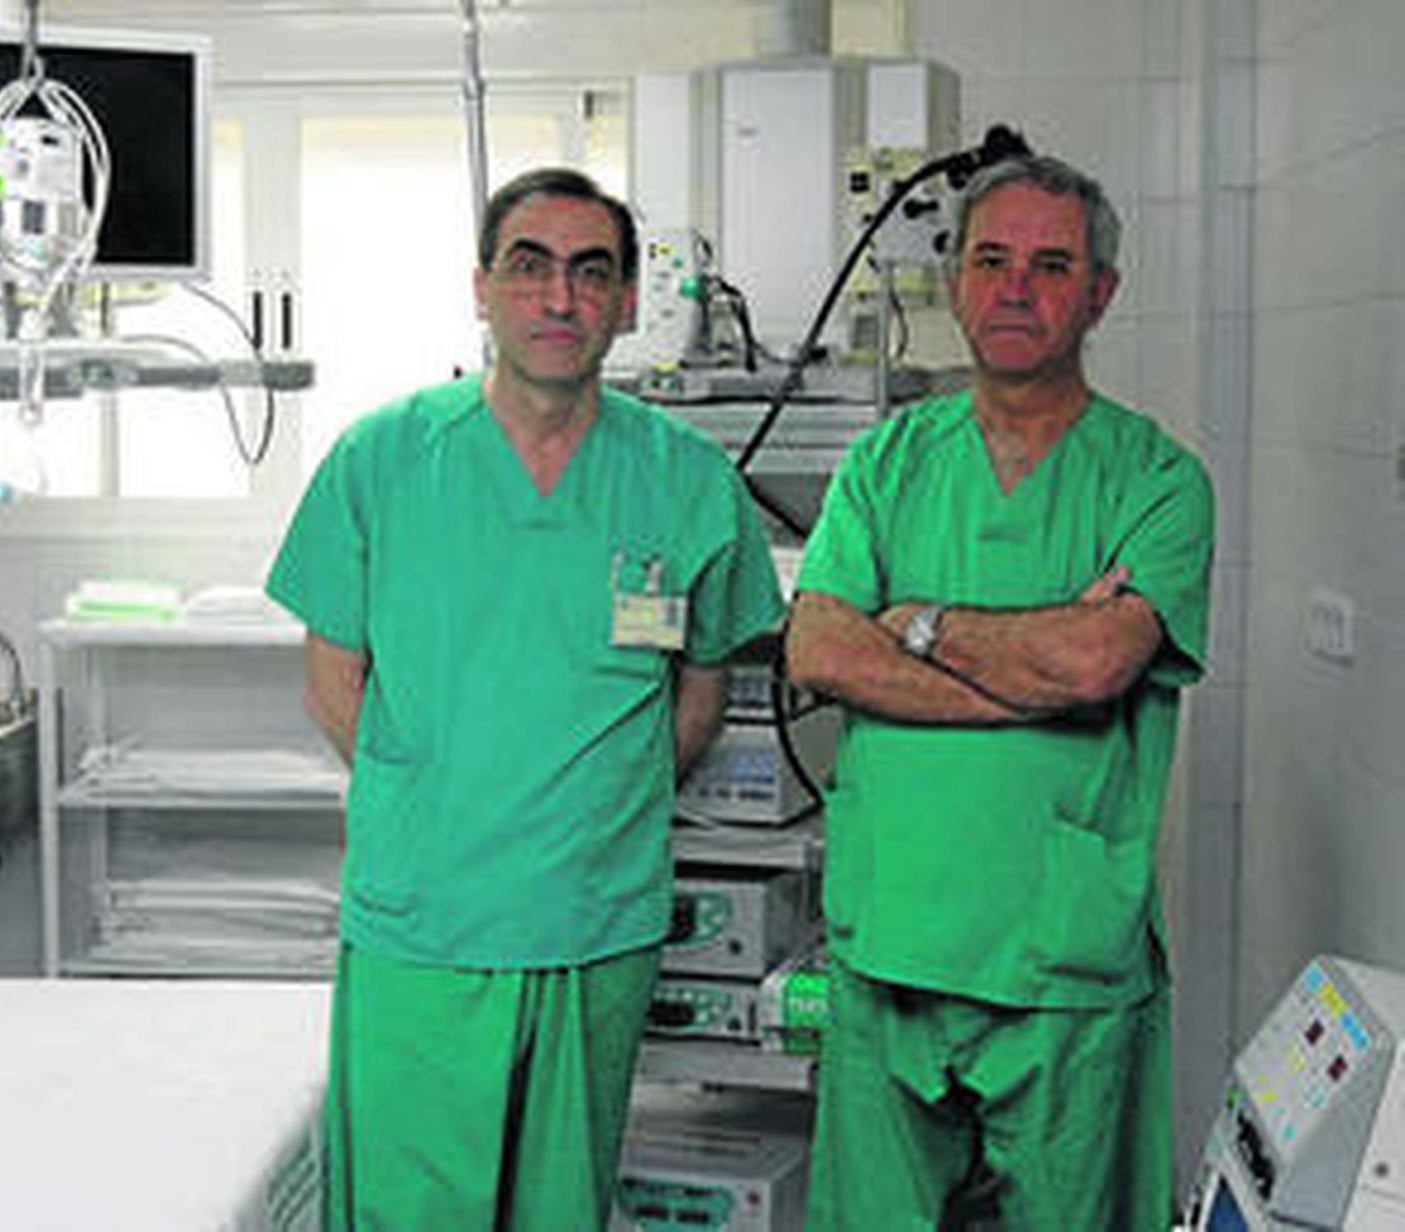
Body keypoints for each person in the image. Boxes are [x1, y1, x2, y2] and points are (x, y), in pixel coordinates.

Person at [265, 166, 784, 1232]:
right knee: (411, 1214)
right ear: (482, 288)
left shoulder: (685, 479)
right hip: (426, 924)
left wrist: (599, 811)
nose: (559, 298)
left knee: (560, 1210)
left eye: (591, 273)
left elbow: (700, 694)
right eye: (529, 267)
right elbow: (331, 686)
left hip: (596, 923)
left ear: (627, 302)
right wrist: (443, 805)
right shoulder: (385, 458)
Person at [785, 153, 1215, 1230]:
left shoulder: (1158, 480)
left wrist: (921, 624)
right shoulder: (886, 463)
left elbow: (1097, 663)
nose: (1015, 287)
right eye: (990, 260)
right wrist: (1030, 678)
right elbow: (820, 648)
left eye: (1050, 265)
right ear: (954, 282)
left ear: (1100, 293)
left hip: (1060, 962)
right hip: (891, 940)